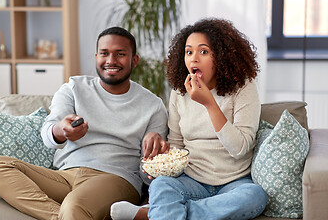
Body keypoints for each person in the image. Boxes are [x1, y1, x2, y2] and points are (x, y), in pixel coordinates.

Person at [0, 26, 169, 220]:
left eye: (120, 54)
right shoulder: (73, 88)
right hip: (64, 176)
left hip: (116, 179)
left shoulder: (153, 106)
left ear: (134, 60)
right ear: (96, 56)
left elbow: (150, 176)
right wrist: (61, 130)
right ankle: (61, 217)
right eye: (104, 53)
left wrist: (152, 154)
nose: (111, 61)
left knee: (74, 206)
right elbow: (49, 133)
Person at [111, 18, 268, 220]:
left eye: (203, 52)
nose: (194, 59)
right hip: (191, 180)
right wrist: (160, 164)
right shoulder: (179, 92)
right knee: (161, 185)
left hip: (234, 182)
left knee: (255, 196)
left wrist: (209, 103)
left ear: (221, 56)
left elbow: (240, 148)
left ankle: (158, 212)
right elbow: (176, 145)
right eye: (189, 52)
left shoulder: (244, 87)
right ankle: (166, 209)